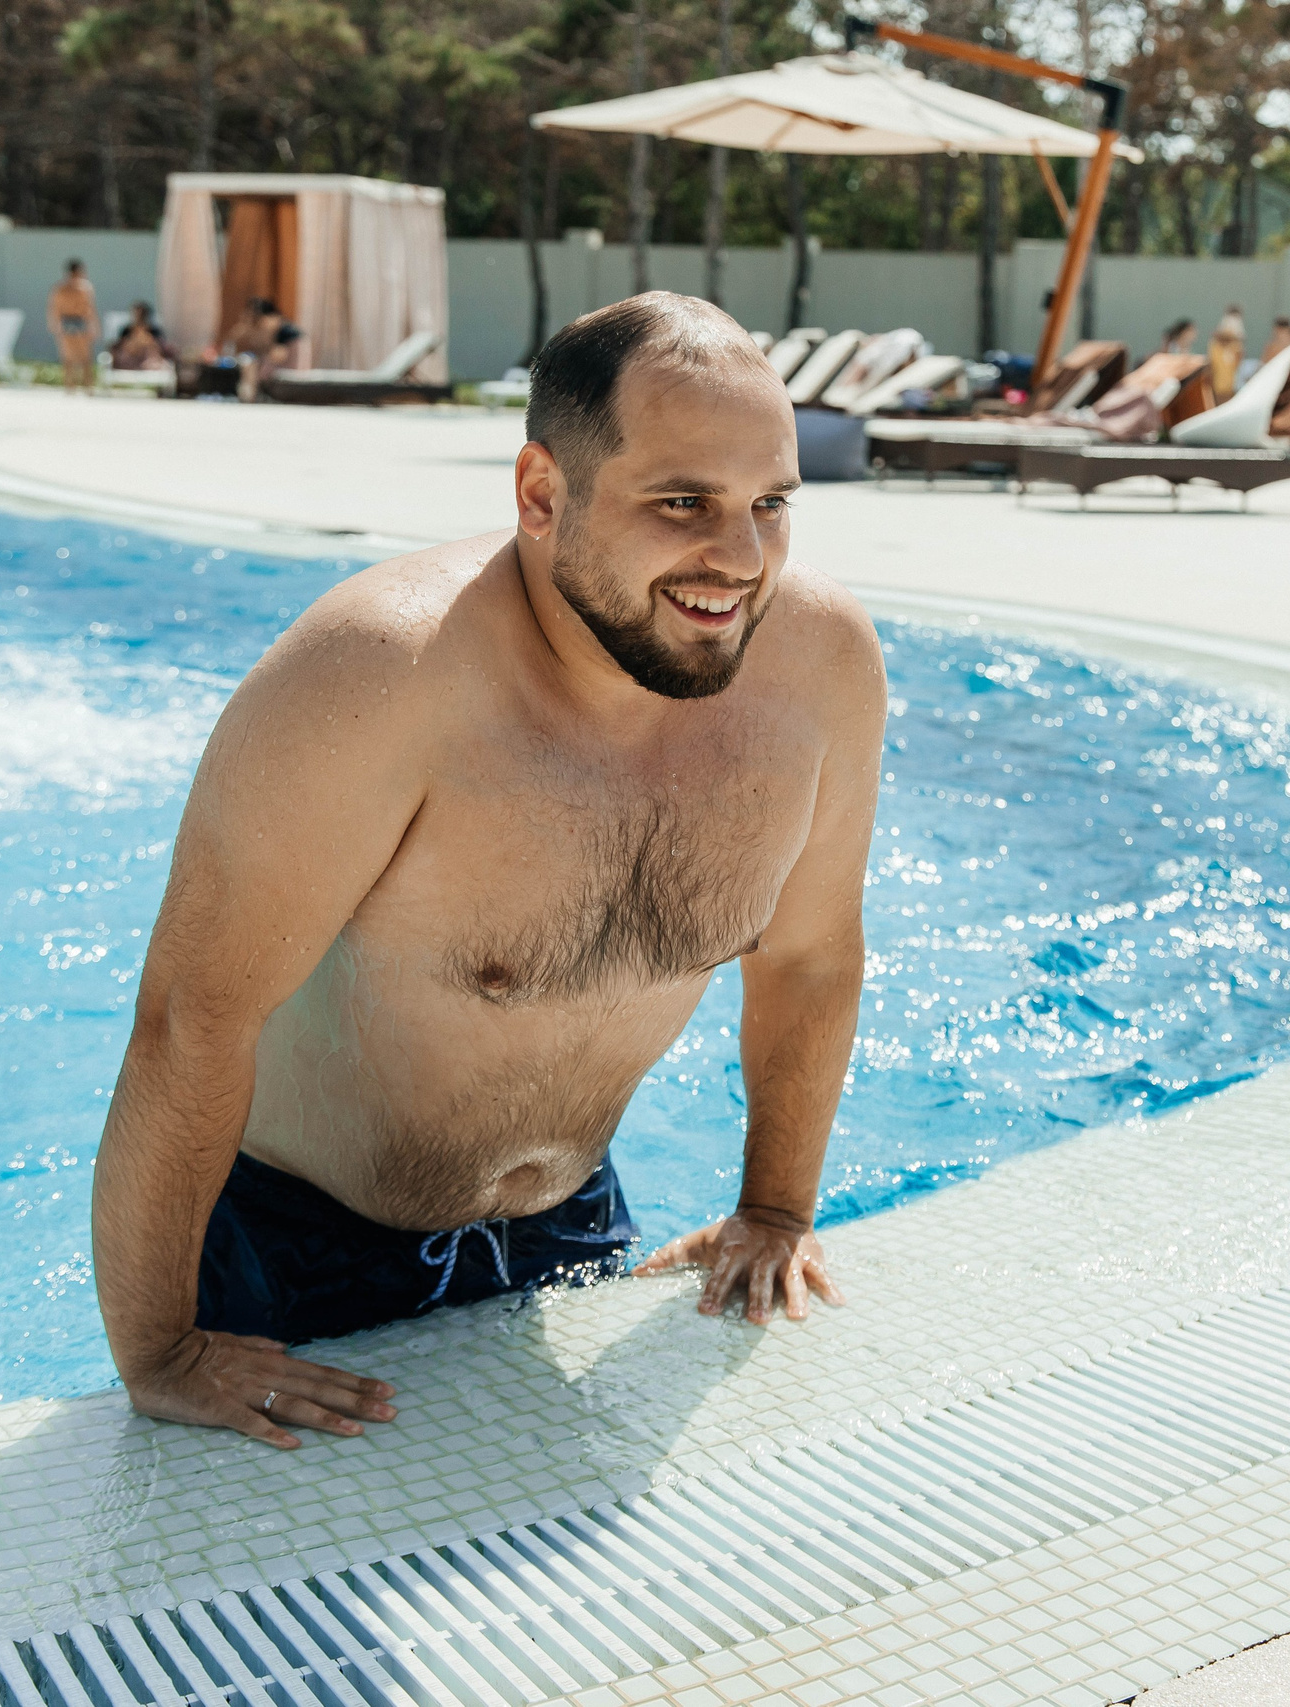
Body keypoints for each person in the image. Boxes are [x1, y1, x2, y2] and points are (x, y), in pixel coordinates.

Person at [90, 292, 885, 1449]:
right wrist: (159, 1353)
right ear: (541, 495)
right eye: (683, 504)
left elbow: (812, 958)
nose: (740, 559)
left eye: (770, 503)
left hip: (569, 1228)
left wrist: (773, 1208)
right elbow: (192, 1018)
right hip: (289, 1255)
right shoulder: (377, 679)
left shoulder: (817, 669)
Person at [225, 297, 303, 401]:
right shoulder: (278, 328)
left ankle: (251, 398)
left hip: (290, 369)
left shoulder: (282, 330)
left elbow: (278, 354)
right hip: (280, 366)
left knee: (253, 366)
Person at [48, 260, 97, 394]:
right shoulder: (61, 288)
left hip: (81, 321)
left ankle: (88, 385)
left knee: (85, 356)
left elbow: (90, 309)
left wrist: (93, 325)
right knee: (68, 356)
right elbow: (55, 307)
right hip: (67, 321)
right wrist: (56, 324)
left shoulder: (85, 288)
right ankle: (69, 385)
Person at [110, 301, 176, 372]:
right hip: (130, 359)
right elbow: (119, 346)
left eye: (141, 314)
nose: (138, 316)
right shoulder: (127, 330)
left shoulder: (154, 331)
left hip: (149, 361)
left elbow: (159, 347)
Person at [1207, 305, 1245, 403]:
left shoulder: (1236, 346)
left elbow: (1239, 363)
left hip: (1231, 387)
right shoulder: (1215, 345)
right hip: (1216, 387)